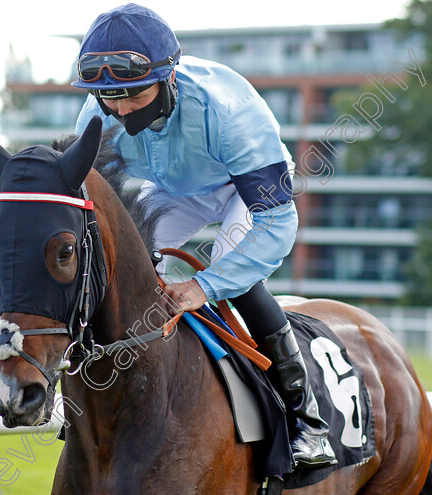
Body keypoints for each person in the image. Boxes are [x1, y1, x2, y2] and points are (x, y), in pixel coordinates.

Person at [72, 3, 336, 467]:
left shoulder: (229, 113)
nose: (120, 109)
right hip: (176, 189)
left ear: (168, 76)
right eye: (108, 96)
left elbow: (277, 222)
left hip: (246, 188)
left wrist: (203, 286)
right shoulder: (97, 113)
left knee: (231, 265)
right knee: (126, 260)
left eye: (133, 94)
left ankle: (306, 416)